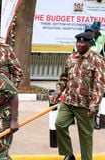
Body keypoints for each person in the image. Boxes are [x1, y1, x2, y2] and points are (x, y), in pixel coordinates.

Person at [51, 32, 105, 160]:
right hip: (68, 101)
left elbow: (100, 84)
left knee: (85, 135)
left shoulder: (97, 59)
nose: (79, 45)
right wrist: (58, 92)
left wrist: (94, 104)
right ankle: (69, 154)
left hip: (85, 105)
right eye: (78, 42)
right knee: (59, 124)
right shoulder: (71, 57)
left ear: (89, 43)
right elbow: (64, 78)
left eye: (82, 42)